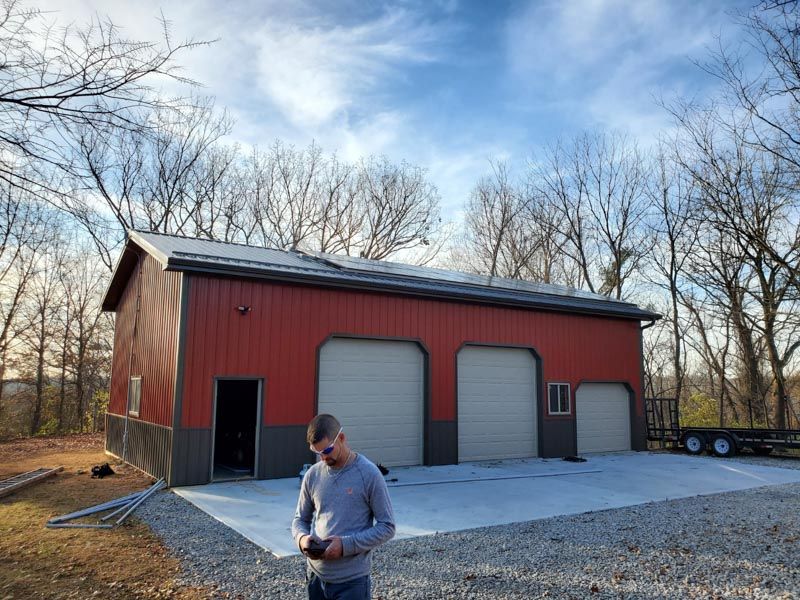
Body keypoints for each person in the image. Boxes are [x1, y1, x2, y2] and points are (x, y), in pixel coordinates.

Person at [292, 414, 396, 600]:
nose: (323, 457)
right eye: (317, 453)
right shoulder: (313, 475)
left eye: (327, 450)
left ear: (341, 438)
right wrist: (302, 539)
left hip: (352, 583)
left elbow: (387, 527)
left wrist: (345, 546)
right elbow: (300, 519)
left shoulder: (369, 474)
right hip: (315, 577)